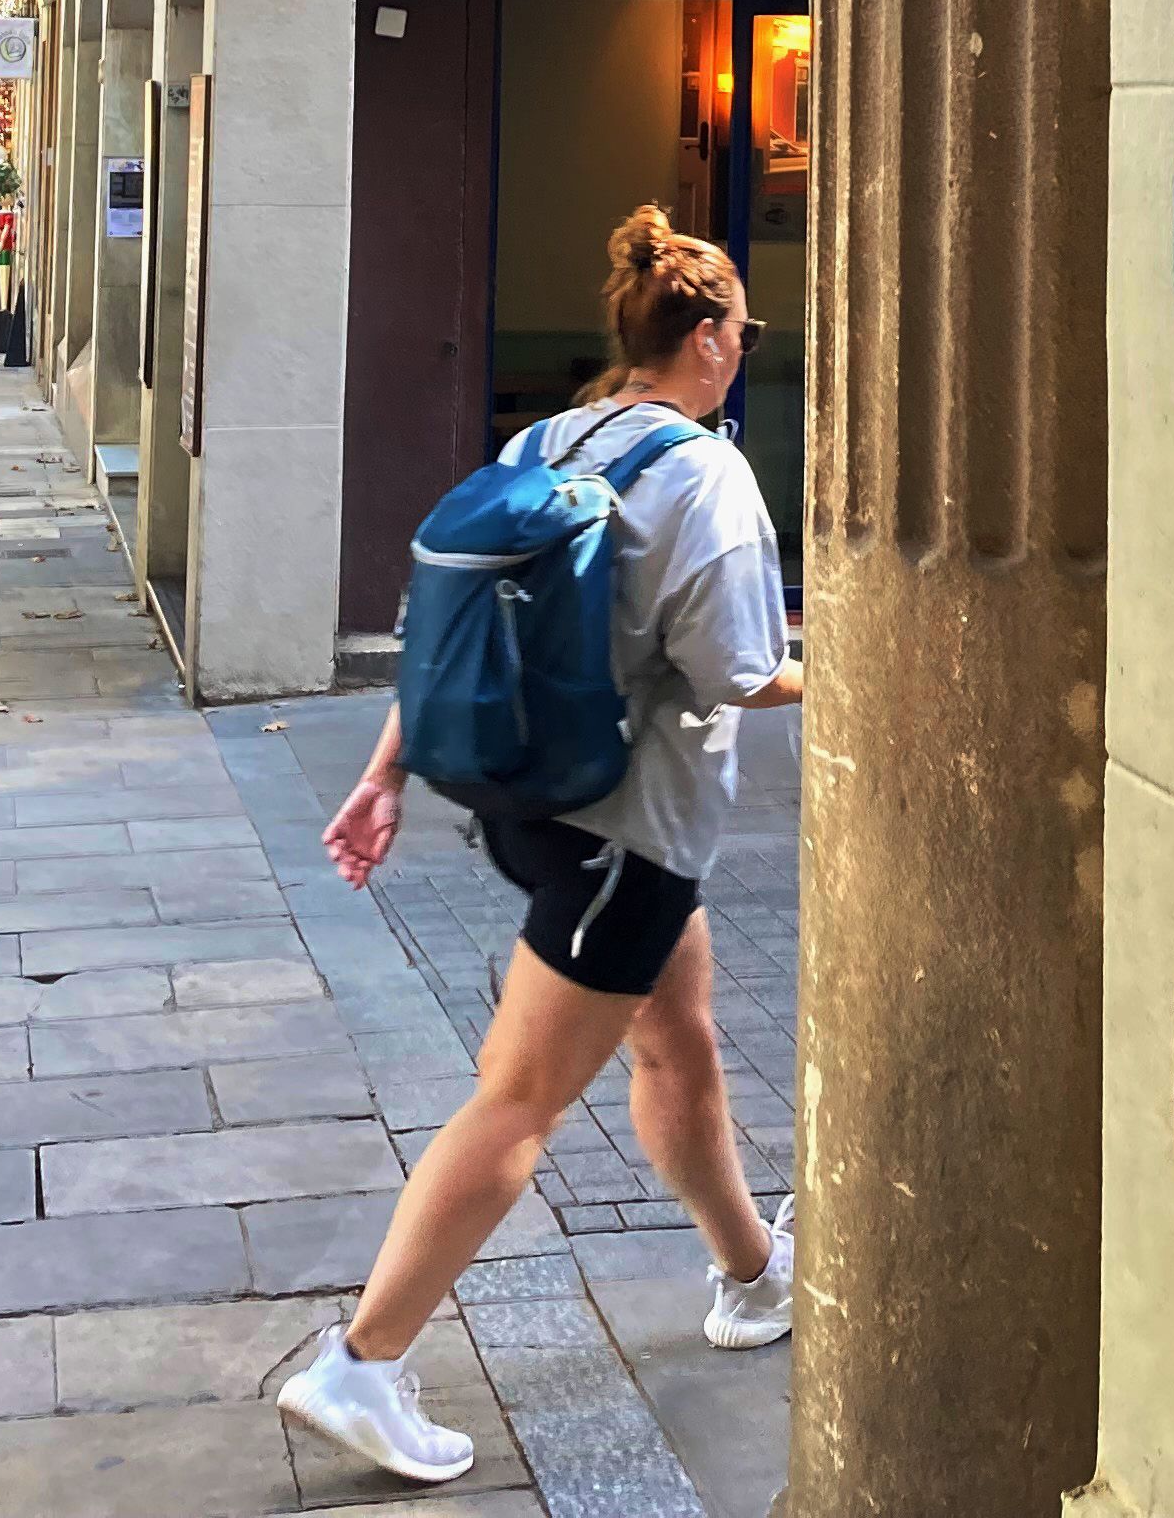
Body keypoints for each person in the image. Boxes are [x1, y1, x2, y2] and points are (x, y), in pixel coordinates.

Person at [278, 206, 802, 1486]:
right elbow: (737, 668)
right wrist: (837, 673)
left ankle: (750, 1271)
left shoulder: (547, 439)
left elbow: (463, 628)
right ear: (715, 340)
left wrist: (387, 770)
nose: (744, 345)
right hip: (624, 837)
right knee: (519, 1098)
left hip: (537, 814)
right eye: (744, 328)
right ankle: (362, 1361)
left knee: (676, 1029)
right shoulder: (706, 477)